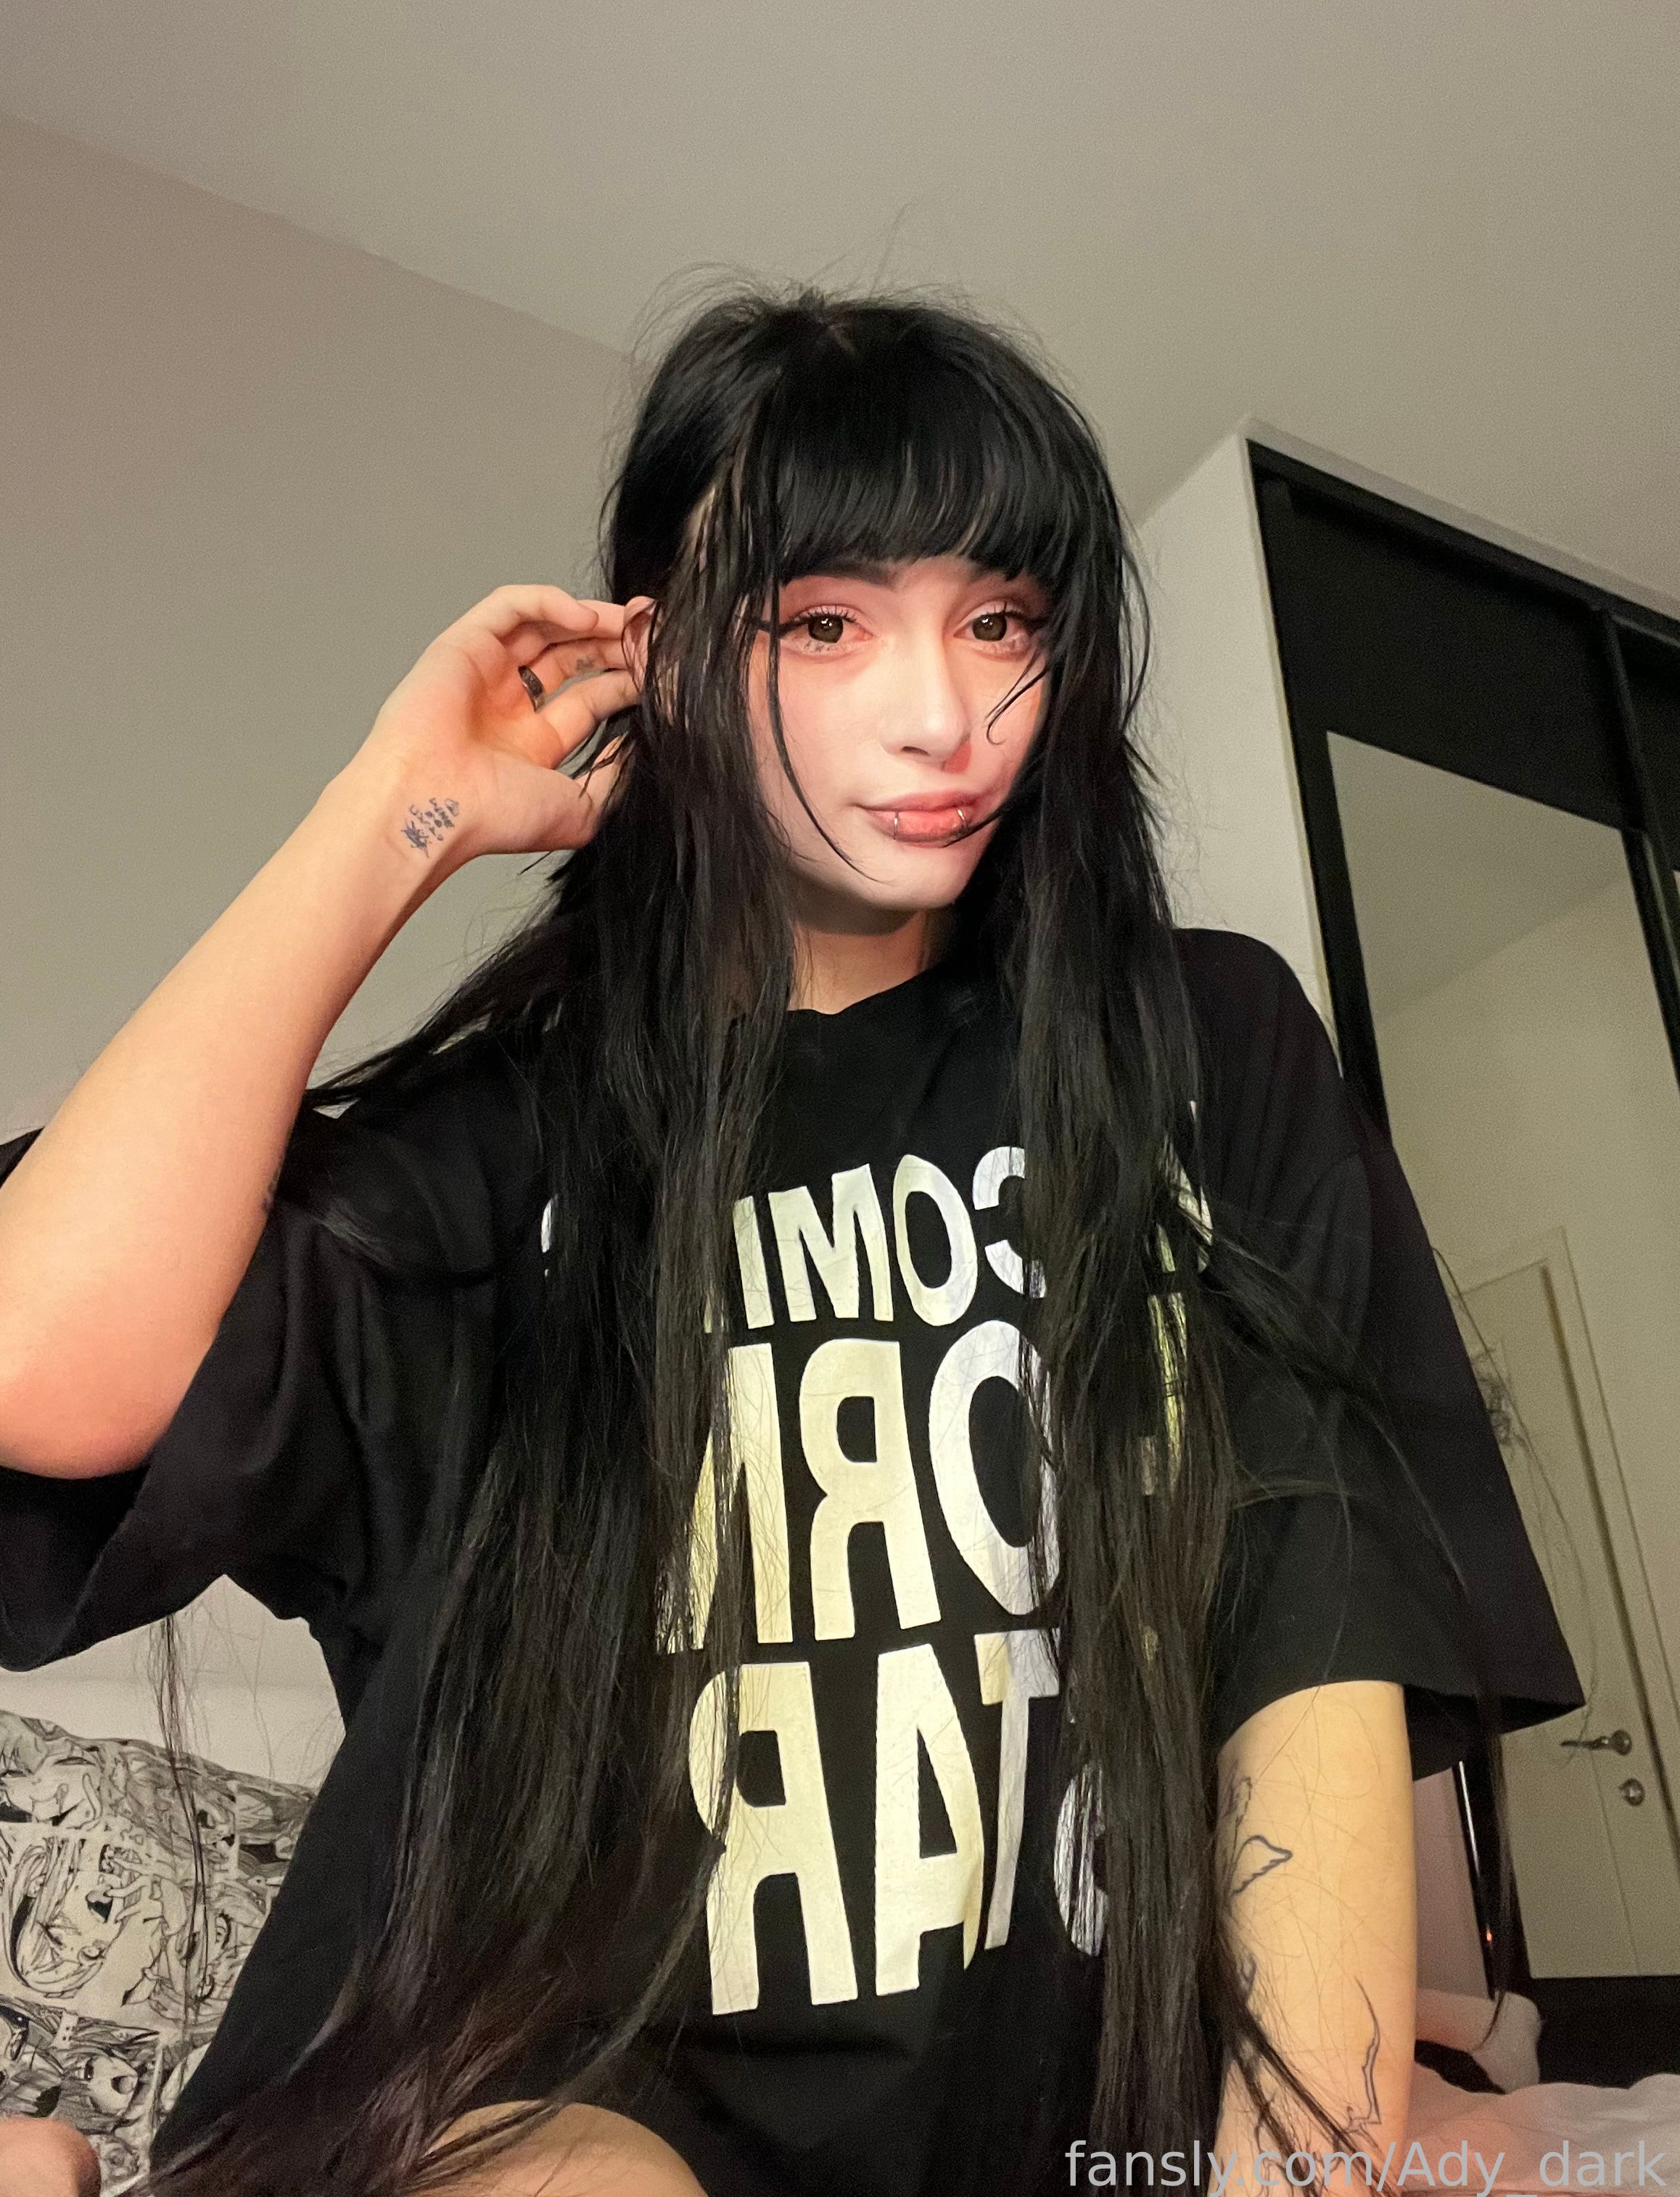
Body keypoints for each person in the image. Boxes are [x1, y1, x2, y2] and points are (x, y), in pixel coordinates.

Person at [0, 284, 1581, 2197]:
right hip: (521, 2116)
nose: (944, 716)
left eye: (1000, 622)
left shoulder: (1193, 1048)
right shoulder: (515, 1139)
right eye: (824, 624)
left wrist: (1314, 2156)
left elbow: (1310, 1640)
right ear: (664, 661)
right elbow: (41, 1371)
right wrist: (389, 814)